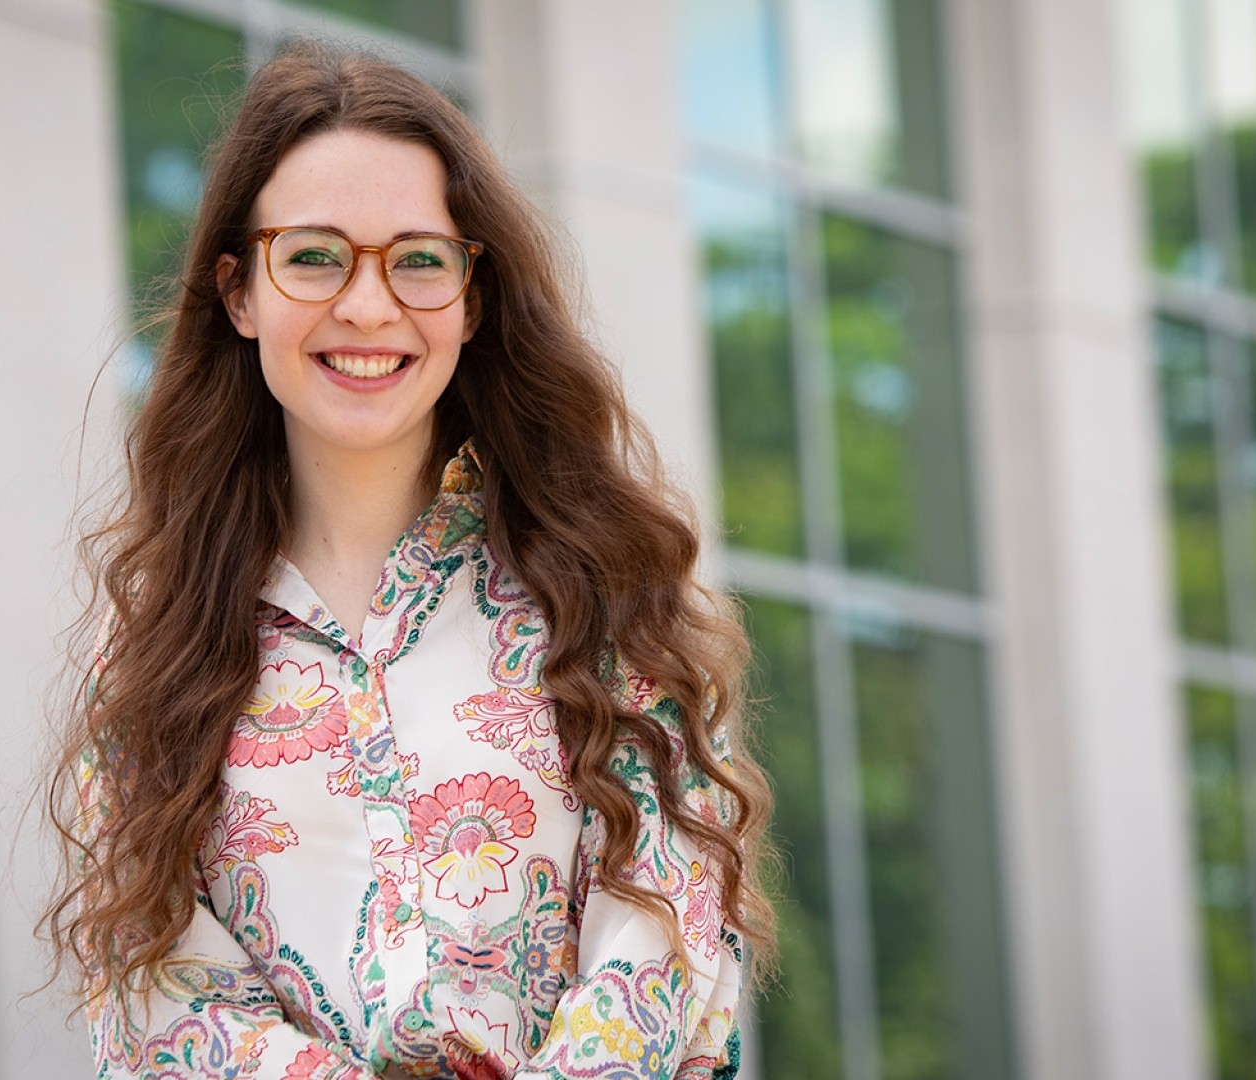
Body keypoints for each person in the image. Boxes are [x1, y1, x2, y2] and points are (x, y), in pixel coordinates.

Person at [40, 41, 775, 1080]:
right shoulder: (154, 654)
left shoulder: (601, 594)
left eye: (419, 260)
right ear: (239, 293)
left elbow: (665, 934)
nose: (368, 306)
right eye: (313, 256)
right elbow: (158, 993)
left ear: (473, 298)